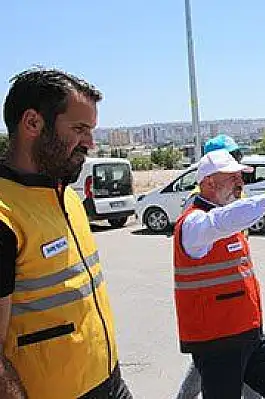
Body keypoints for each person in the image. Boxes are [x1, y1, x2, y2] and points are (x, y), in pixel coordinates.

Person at [0, 68, 133, 398]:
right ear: (33, 123)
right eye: (79, 128)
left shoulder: (68, 197)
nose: (90, 142)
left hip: (110, 382)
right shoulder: (4, 215)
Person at [173, 149, 265, 399]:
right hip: (218, 341)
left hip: (248, 333)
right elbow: (221, 221)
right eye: (232, 177)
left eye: (240, 176)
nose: (240, 183)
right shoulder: (194, 223)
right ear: (208, 182)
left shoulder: (227, 215)